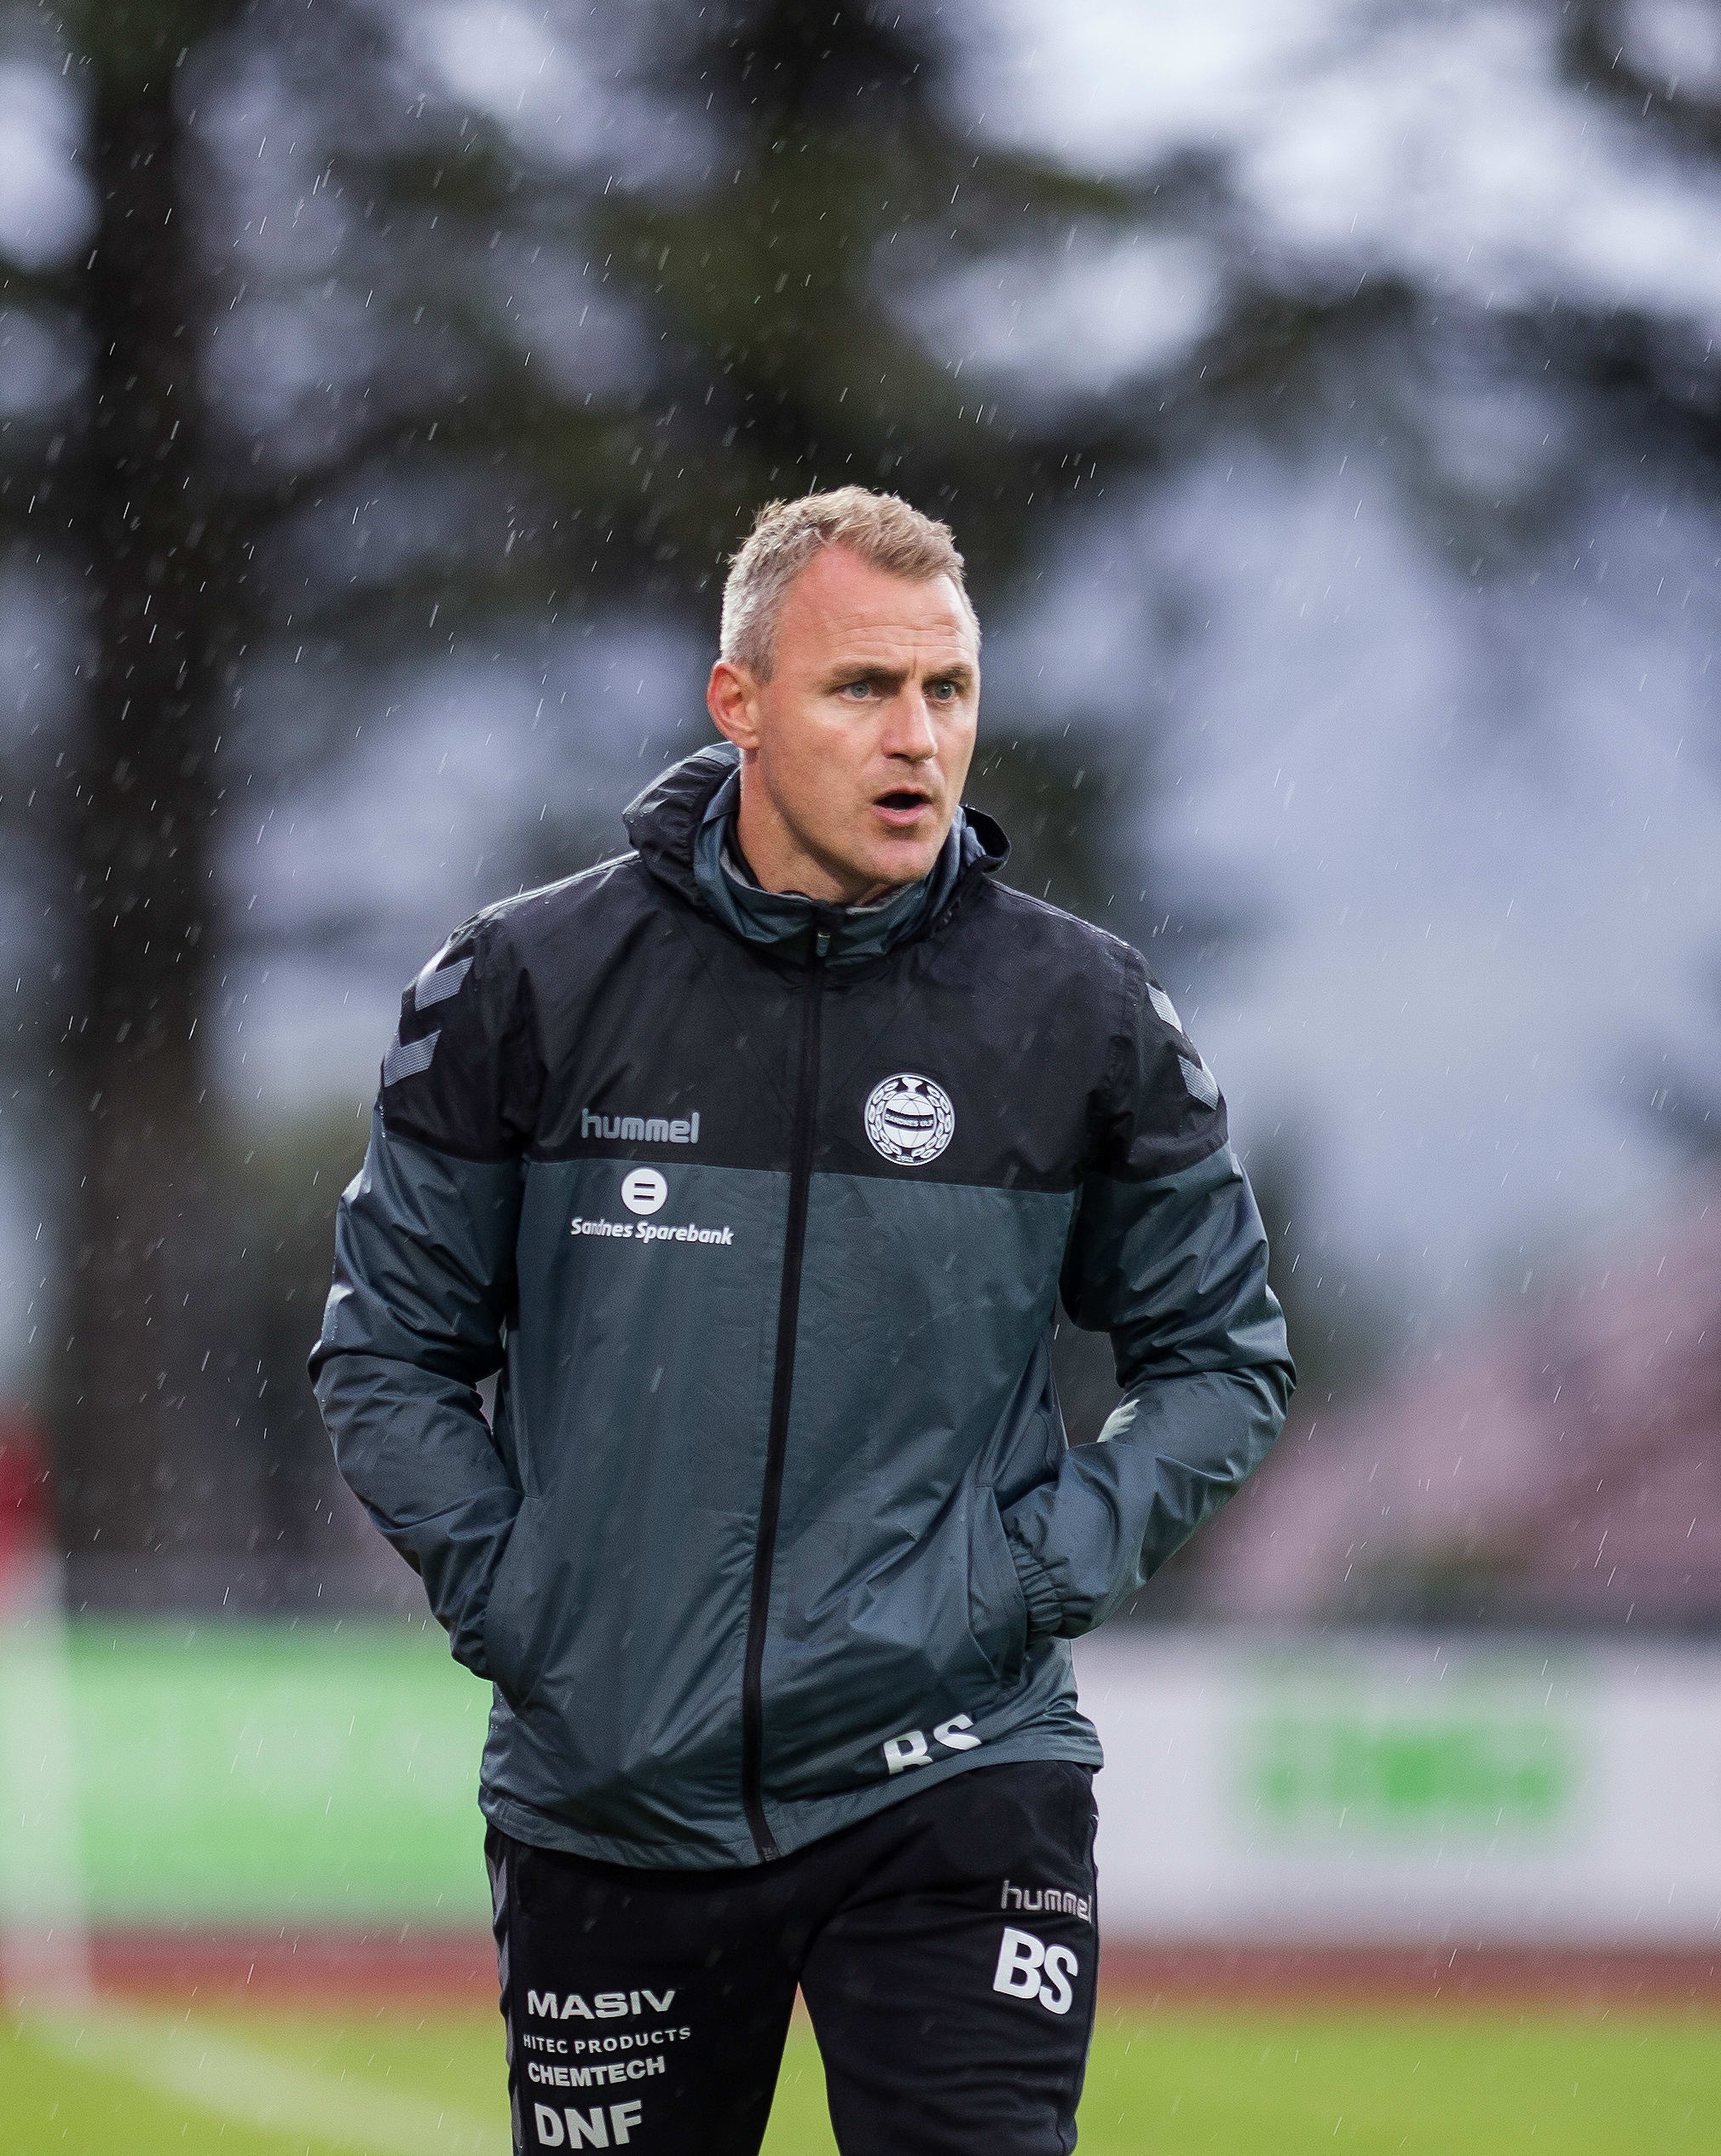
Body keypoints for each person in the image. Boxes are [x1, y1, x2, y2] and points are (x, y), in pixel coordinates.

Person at [313, 488, 1296, 2154]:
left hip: (955, 1769)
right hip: (611, 1790)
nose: (917, 736)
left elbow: (1221, 1359)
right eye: (861, 687)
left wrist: (1021, 1575)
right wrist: (527, 1596)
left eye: (946, 687)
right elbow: (385, 1352)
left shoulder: (1081, 1013)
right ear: (741, 702)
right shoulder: (524, 986)